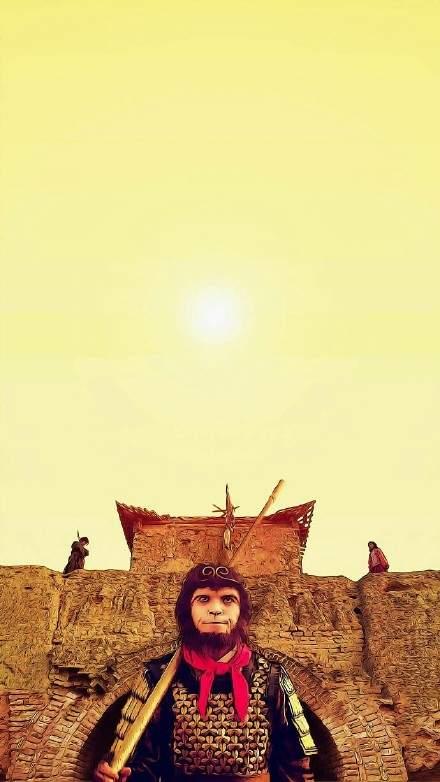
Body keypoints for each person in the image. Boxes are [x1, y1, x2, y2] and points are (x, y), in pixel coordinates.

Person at [94, 563, 317, 782]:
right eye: (203, 599)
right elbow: (143, 765)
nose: (216, 609)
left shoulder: (272, 676)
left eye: (228, 599)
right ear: (188, 610)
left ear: (241, 611)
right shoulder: (155, 676)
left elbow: (295, 768)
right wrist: (118, 775)